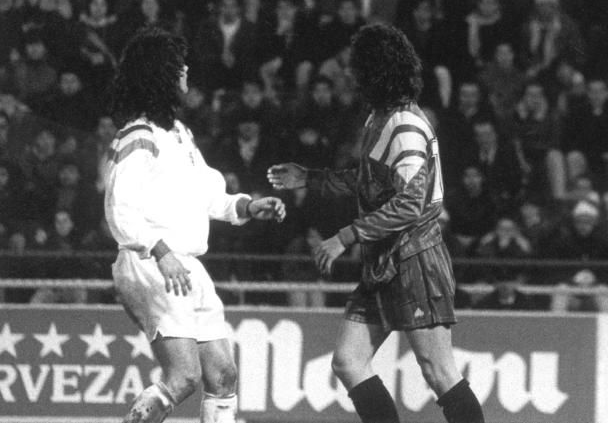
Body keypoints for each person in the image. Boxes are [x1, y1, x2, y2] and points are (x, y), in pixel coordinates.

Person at [267, 24, 485, 423]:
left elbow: (410, 205)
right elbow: (367, 181)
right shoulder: (378, 120)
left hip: (417, 259)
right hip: (385, 260)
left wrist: (344, 237)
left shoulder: (406, 127)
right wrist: (310, 177)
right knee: (349, 361)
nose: (350, 75)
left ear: (375, 72)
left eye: (357, 68)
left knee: (438, 371)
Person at [105, 27, 287, 423]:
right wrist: (161, 251)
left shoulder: (180, 135)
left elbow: (209, 195)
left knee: (223, 375)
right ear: (160, 73)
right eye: (177, 63)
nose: (185, 69)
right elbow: (120, 209)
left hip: (186, 265)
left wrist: (247, 206)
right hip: (152, 261)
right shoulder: (137, 136)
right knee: (184, 376)